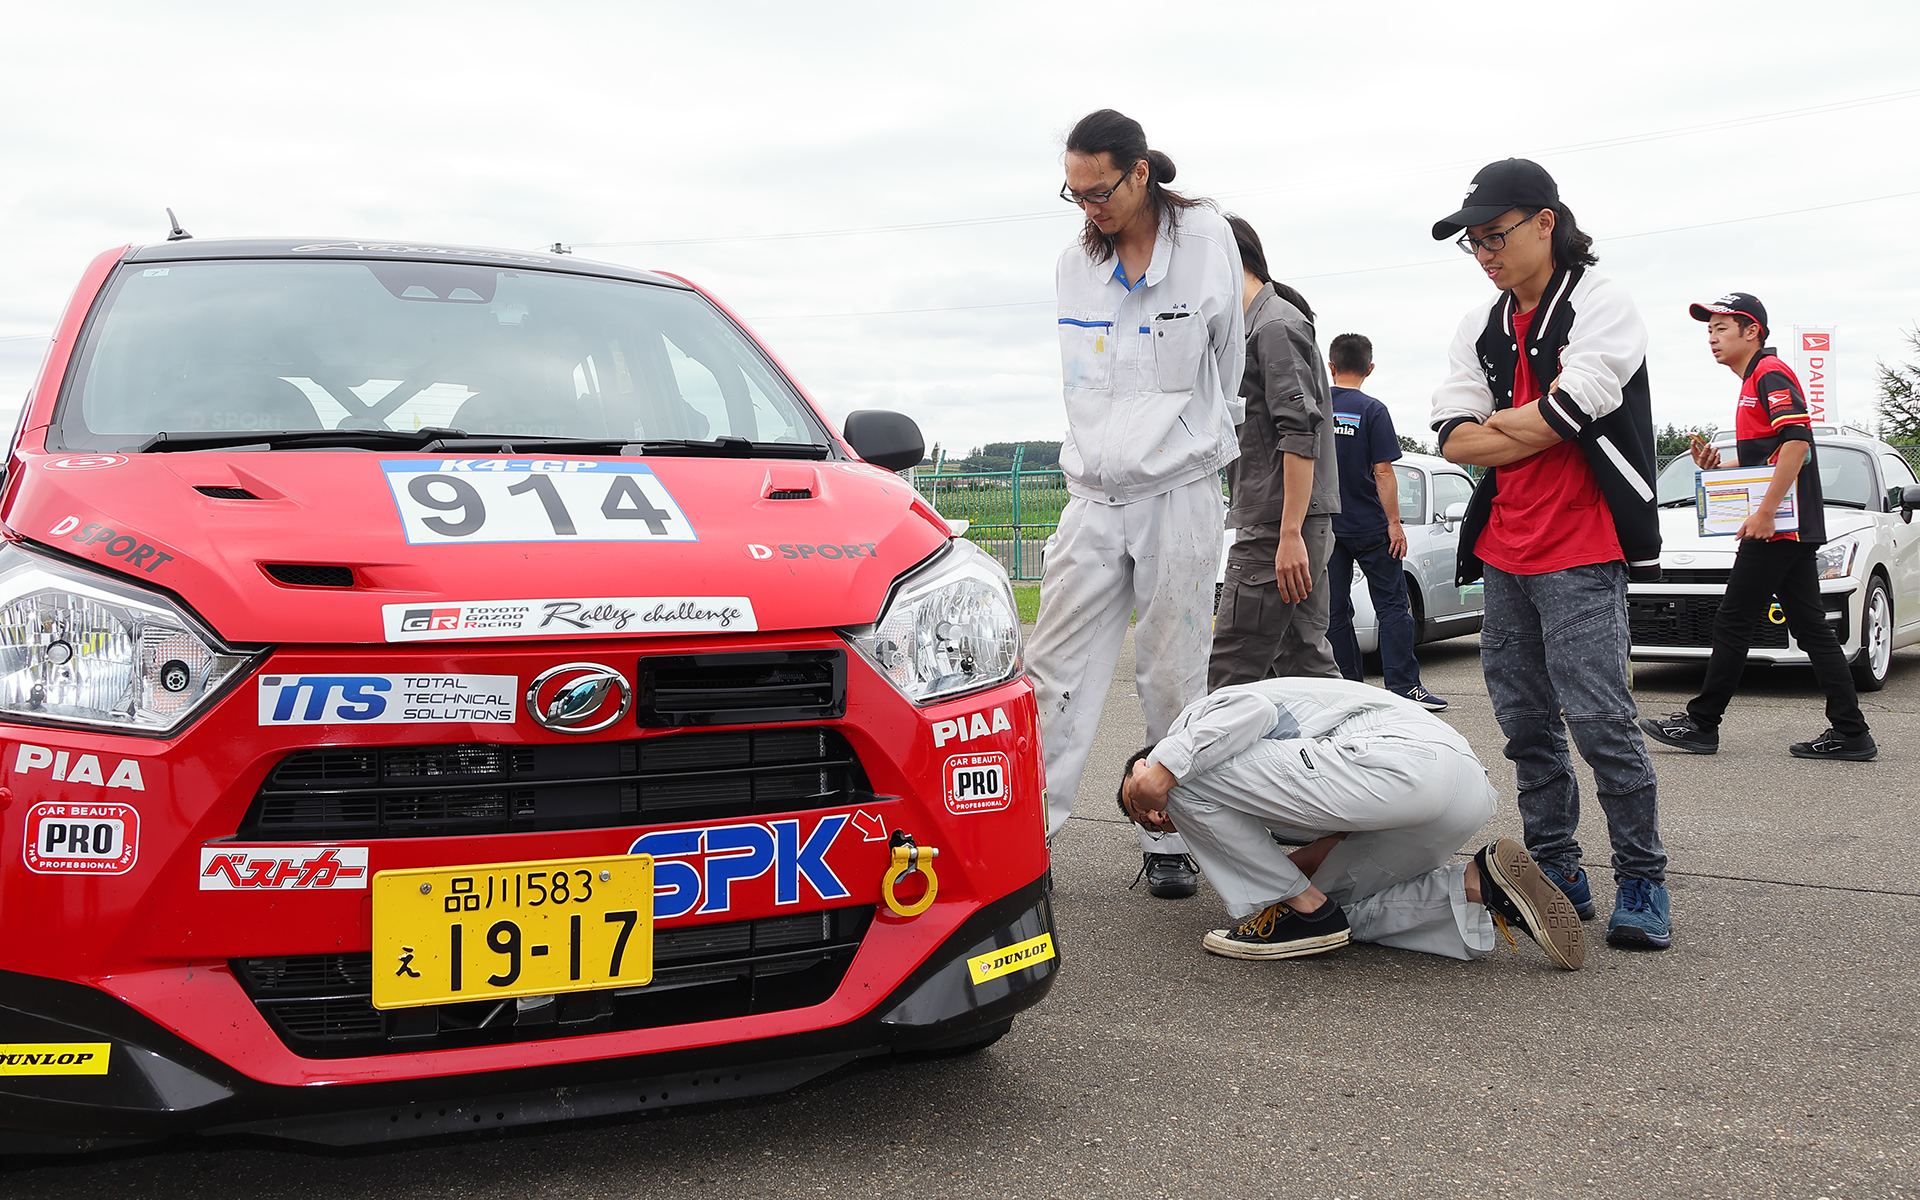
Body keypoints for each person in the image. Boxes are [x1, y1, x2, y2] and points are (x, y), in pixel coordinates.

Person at [1427, 158, 1672, 950]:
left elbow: (1573, 410)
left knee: (1602, 723)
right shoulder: (1480, 325)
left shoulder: (1601, 302)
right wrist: (1520, 427)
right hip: (1504, 548)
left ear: (1545, 221)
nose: (1484, 253)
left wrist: (1500, 428)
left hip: (1583, 543)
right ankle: (1558, 870)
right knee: (1526, 726)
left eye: (1494, 235)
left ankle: (1643, 877)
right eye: (1472, 242)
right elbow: (1452, 436)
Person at [1029, 109, 1245, 900]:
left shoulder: (1207, 241)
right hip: (1091, 494)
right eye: (1076, 194)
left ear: (1140, 173)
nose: (1091, 207)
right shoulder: (1073, 265)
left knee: (1171, 673)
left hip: (1176, 490)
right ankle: (1026, 842)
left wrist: (1197, 442)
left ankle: (1167, 840)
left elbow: (1230, 359)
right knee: (1050, 672)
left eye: (1102, 191)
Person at [1115, 677, 1585, 969]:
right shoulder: (1257, 790)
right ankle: (1478, 884)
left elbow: (1253, 711)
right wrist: (1294, 894)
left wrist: (1161, 772)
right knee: (1334, 912)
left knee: (1186, 779)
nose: (1155, 816)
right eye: (1151, 826)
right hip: (1451, 796)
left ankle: (1305, 910)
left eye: (1138, 802)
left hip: (1399, 757)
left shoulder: (1194, 728)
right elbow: (1322, 851)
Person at [1638, 294, 1876, 761]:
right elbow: (1771, 458)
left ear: (1752, 332)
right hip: (1788, 528)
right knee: (1810, 628)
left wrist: (1765, 514)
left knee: (1733, 620)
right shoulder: (1753, 380)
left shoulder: (1770, 373)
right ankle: (1852, 732)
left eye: (1721, 328)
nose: (1712, 338)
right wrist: (1719, 468)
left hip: (1780, 528)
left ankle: (1702, 724)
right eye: (1709, 330)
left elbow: (1797, 445)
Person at [1207, 214, 1342, 692]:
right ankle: (1361, 740)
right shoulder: (1253, 327)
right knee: (1304, 664)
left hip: (1278, 524)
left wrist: (1287, 534)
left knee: (1230, 673)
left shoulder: (1274, 325)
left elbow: (1300, 433)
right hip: (1284, 520)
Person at [1324, 333, 1446, 710]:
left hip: (1327, 527)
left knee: (1334, 609)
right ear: (1370, 368)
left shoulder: (1316, 406)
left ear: (1330, 366)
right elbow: (1383, 471)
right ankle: (1404, 686)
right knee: (1392, 606)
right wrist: (1395, 522)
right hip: (1371, 527)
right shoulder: (1372, 410)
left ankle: (1349, 688)